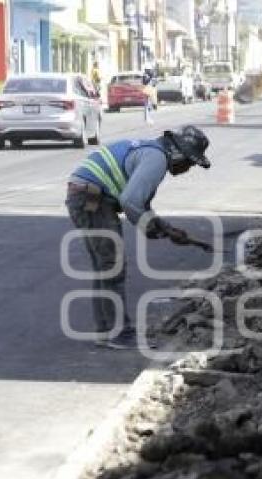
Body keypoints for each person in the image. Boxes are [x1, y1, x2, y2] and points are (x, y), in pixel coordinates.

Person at [65, 125, 211, 350]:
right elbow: (130, 201)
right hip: (92, 199)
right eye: (190, 162)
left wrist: (167, 229)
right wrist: (152, 229)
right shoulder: (157, 159)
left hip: (86, 196)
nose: (188, 168)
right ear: (179, 152)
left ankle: (106, 331)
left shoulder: (151, 151)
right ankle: (118, 333)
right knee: (112, 268)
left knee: (105, 269)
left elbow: (141, 205)